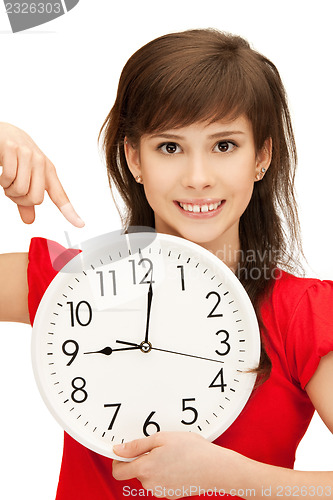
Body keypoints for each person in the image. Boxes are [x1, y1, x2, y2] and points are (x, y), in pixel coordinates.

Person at [0, 28, 332, 500]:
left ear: (262, 156)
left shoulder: (302, 314)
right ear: (135, 158)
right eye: (170, 147)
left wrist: (231, 476)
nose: (198, 178)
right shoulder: (73, 283)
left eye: (224, 146)